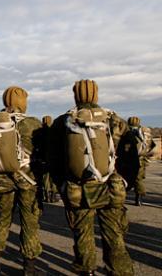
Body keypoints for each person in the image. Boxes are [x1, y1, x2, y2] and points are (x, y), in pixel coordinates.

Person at [50, 79, 133, 275]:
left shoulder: (63, 122)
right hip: (110, 187)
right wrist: (123, 182)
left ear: (75, 96)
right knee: (115, 236)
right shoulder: (114, 120)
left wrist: (62, 184)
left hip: (78, 189)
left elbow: (53, 159)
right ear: (96, 94)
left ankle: (86, 270)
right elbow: (131, 156)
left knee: (83, 235)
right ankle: (119, 270)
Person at [0, 87, 43, 276]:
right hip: (27, 181)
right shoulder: (32, 123)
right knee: (29, 223)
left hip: (1, 180)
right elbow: (43, 153)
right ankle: (29, 269)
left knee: (1, 219)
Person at [116, 116, 156, 206]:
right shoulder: (144, 133)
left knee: (125, 178)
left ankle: (125, 197)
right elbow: (152, 144)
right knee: (138, 179)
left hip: (128, 159)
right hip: (141, 159)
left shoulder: (127, 132)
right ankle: (139, 198)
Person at [40, 116, 59, 203]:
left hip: (43, 158)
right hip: (53, 158)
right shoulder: (54, 131)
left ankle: (47, 195)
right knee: (53, 178)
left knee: (45, 178)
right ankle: (53, 195)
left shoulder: (40, 131)